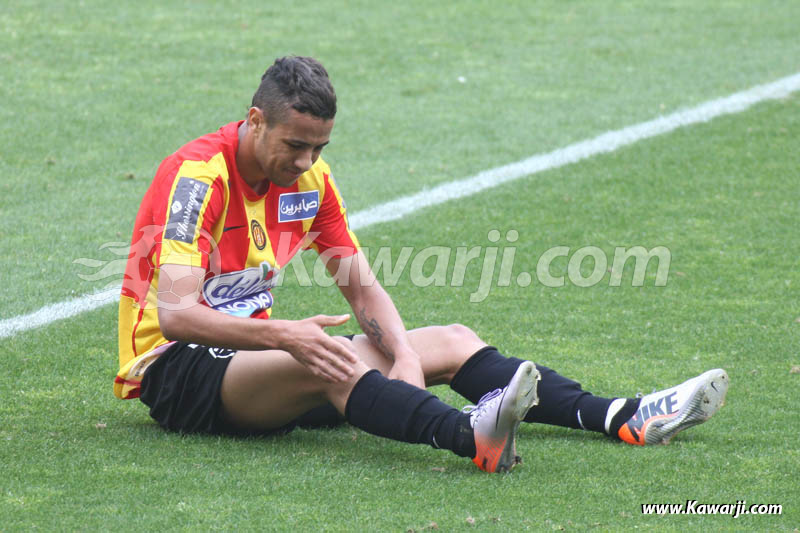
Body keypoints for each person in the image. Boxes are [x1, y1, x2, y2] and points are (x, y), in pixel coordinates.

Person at [115, 56, 729, 473]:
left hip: (255, 359)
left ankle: (624, 416)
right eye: (294, 144)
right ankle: (471, 437)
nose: (306, 161)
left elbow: (360, 286)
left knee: (453, 342)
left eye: (319, 147)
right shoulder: (198, 177)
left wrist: (405, 355)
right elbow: (176, 317)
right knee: (329, 359)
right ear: (254, 121)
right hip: (180, 374)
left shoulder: (312, 182)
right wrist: (284, 335)